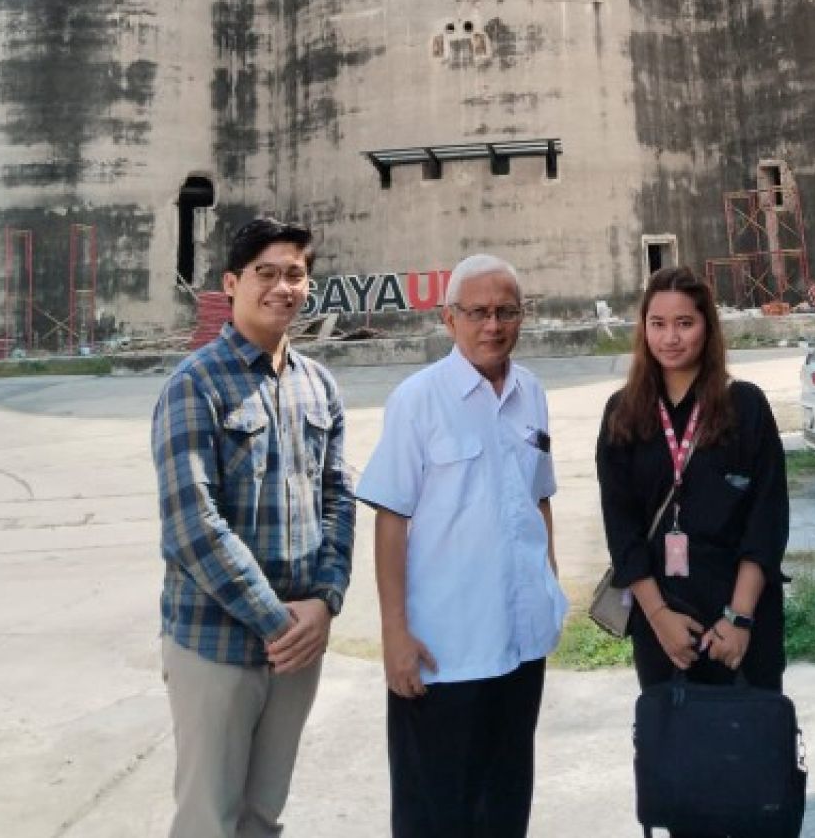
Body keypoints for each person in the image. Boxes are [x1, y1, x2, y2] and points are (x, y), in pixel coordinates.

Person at [151, 216, 356, 838]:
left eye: (295, 274)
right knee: (209, 821)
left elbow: (339, 500)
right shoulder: (195, 385)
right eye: (265, 273)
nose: (281, 287)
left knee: (262, 816)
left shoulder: (318, 385)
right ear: (232, 283)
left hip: (296, 647)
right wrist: (279, 621)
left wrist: (325, 601)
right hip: (217, 645)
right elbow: (192, 524)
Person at [357, 252, 568, 838]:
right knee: (436, 816)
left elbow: (539, 497)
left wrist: (549, 587)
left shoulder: (531, 393)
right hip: (443, 655)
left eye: (506, 312)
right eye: (477, 312)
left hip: (520, 648)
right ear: (450, 320)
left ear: (523, 317)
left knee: (504, 809)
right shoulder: (418, 400)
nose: (492, 326)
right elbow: (391, 518)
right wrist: (394, 632)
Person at [595, 266, 789, 838]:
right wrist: (657, 618)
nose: (671, 337)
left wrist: (740, 617)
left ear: (707, 327)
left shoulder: (745, 406)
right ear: (643, 330)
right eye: (658, 323)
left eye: (684, 322)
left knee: (747, 771)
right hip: (665, 626)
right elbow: (622, 530)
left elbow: (767, 519)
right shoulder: (622, 413)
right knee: (683, 777)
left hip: (743, 624)